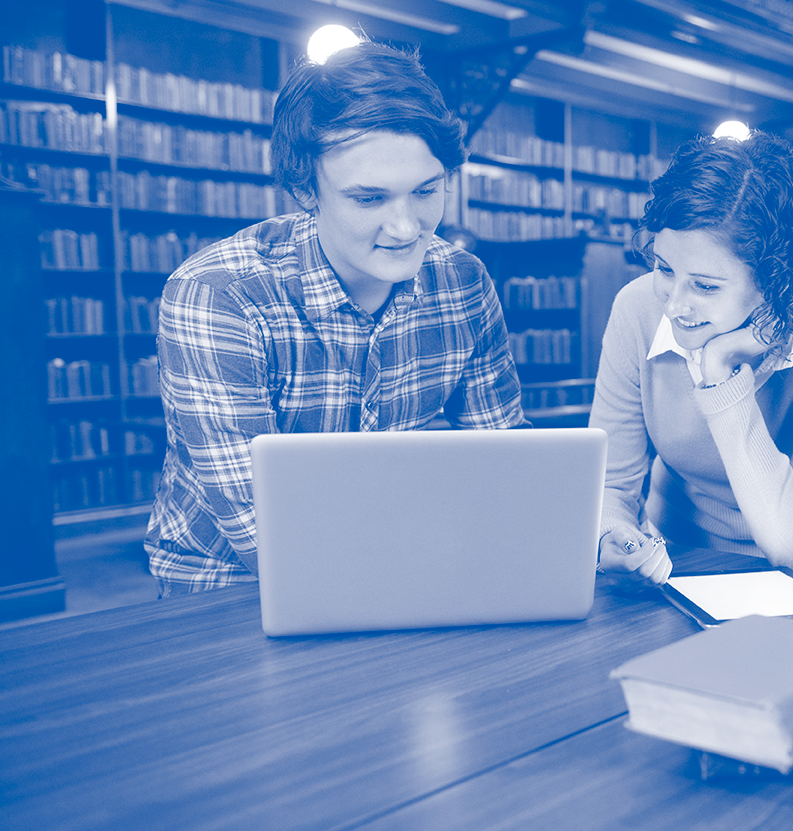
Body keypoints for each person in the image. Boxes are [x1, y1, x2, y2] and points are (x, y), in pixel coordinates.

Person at [145, 40, 526, 596]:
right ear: (305, 190)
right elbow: (259, 530)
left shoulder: (463, 281)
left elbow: (506, 461)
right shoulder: (218, 294)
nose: (405, 228)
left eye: (426, 191)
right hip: (226, 583)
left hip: (402, 557)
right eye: (369, 199)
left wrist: (573, 536)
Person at [589, 132, 793, 586]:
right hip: (677, 560)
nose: (673, 307)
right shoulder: (637, 308)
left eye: (706, 286)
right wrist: (615, 533)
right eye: (665, 269)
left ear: (776, 280)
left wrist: (721, 375)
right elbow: (609, 483)